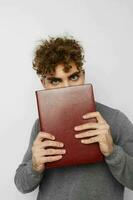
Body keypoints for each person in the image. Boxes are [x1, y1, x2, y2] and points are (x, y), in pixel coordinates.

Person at [14, 36, 133, 200]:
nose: (66, 88)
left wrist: (112, 152)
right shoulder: (41, 125)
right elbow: (21, 184)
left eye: (74, 77)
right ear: (44, 84)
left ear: (83, 75)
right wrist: (35, 166)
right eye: (55, 81)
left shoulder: (115, 120)